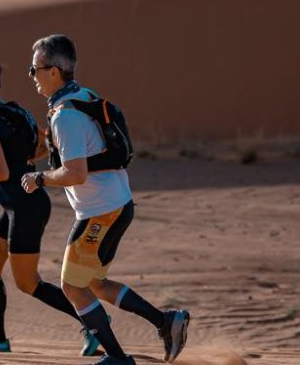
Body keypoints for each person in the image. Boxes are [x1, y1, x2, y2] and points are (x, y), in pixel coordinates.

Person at [21, 35, 190, 365]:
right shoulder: (82, 97)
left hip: (101, 212)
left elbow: (75, 173)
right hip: (117, 204)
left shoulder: (65, 115)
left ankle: (117, 359)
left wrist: (39, 178)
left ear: (53, 71)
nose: (32, 76)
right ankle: (166, 322)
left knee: (71, 287)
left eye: (35, 69)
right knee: (93, 283)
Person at [0, 62, 101, 356]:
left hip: (25, 207)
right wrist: (20, 162)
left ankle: (94, 323)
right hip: (19, 204)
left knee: (28, 282)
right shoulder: (17, 112)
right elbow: (41, 147)